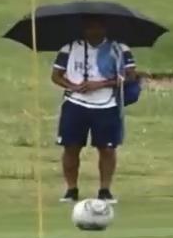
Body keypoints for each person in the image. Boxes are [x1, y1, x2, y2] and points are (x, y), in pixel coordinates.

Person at [51, 15, 138, 204]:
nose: (94, 32)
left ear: (105, 28)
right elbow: (56, 75)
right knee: (71, 147)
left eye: (98, 27)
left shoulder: (119, 48)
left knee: (107, 148)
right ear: (84, 29)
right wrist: (72, 86)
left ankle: (105, 190)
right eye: (90, 28)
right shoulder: (70, 47)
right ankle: (71, 189)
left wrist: (100, 84)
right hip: (75, 103)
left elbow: (130, 76)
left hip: (107, 104)